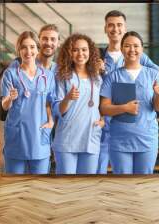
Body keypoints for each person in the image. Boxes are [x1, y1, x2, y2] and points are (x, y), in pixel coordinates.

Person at [97, 10, 159, 174]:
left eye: (119, 25)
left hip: (140, 129)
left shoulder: (141, 59)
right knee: (100, 172)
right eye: (111, 25)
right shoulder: (97, 56)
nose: (115, 29)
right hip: (105, 125)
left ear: (125, 27)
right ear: (105, 28)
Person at [100, 31, 159, 174]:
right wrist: (124, 108)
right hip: (120, 141)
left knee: (143, 184)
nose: (132, 50)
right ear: (122, 49)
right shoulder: (113, 76)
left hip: (147, 139)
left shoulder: (153, 74)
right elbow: (104, 108)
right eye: (127, 46)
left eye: (136, 46)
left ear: (142, 49)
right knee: (123, 186)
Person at [1, 31, 55, 174]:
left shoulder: (47, 76)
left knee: (40, 187)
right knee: (14, 186)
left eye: (32, 47)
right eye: (24, 47)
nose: (28, 51)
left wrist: (51, 122)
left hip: (39, 136)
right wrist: (9, 98)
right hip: (17, 137)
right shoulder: (10, 74)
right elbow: (4, 106)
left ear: (38, 49)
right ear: (19, 50)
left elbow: (50, 102)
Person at [52, 34, 104, 174]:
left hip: (90, 137)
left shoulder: (97, 77)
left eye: (84, 50)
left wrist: (103, 120)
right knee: (66, 187)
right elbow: (58, 110)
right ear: (69, 53)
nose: (80, 53)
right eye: (75, 50)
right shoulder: (63, 76)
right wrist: (68, 98)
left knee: (87, 187)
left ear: (90, 52)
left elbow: (103, 104)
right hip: (67, 139)